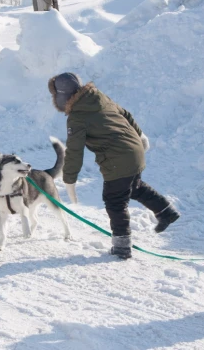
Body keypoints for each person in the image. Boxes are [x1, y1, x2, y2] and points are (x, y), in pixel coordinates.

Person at [48, 72, 180, 259]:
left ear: (61, 97)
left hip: (118, 158)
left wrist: (69, 180)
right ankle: (166, 212)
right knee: (133, 187)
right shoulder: (98, 96)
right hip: (134, 149)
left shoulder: (77, 117)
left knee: (114, 200)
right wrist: (140, 135)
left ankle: (122, 247)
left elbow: (74, 152)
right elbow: (125, 113)